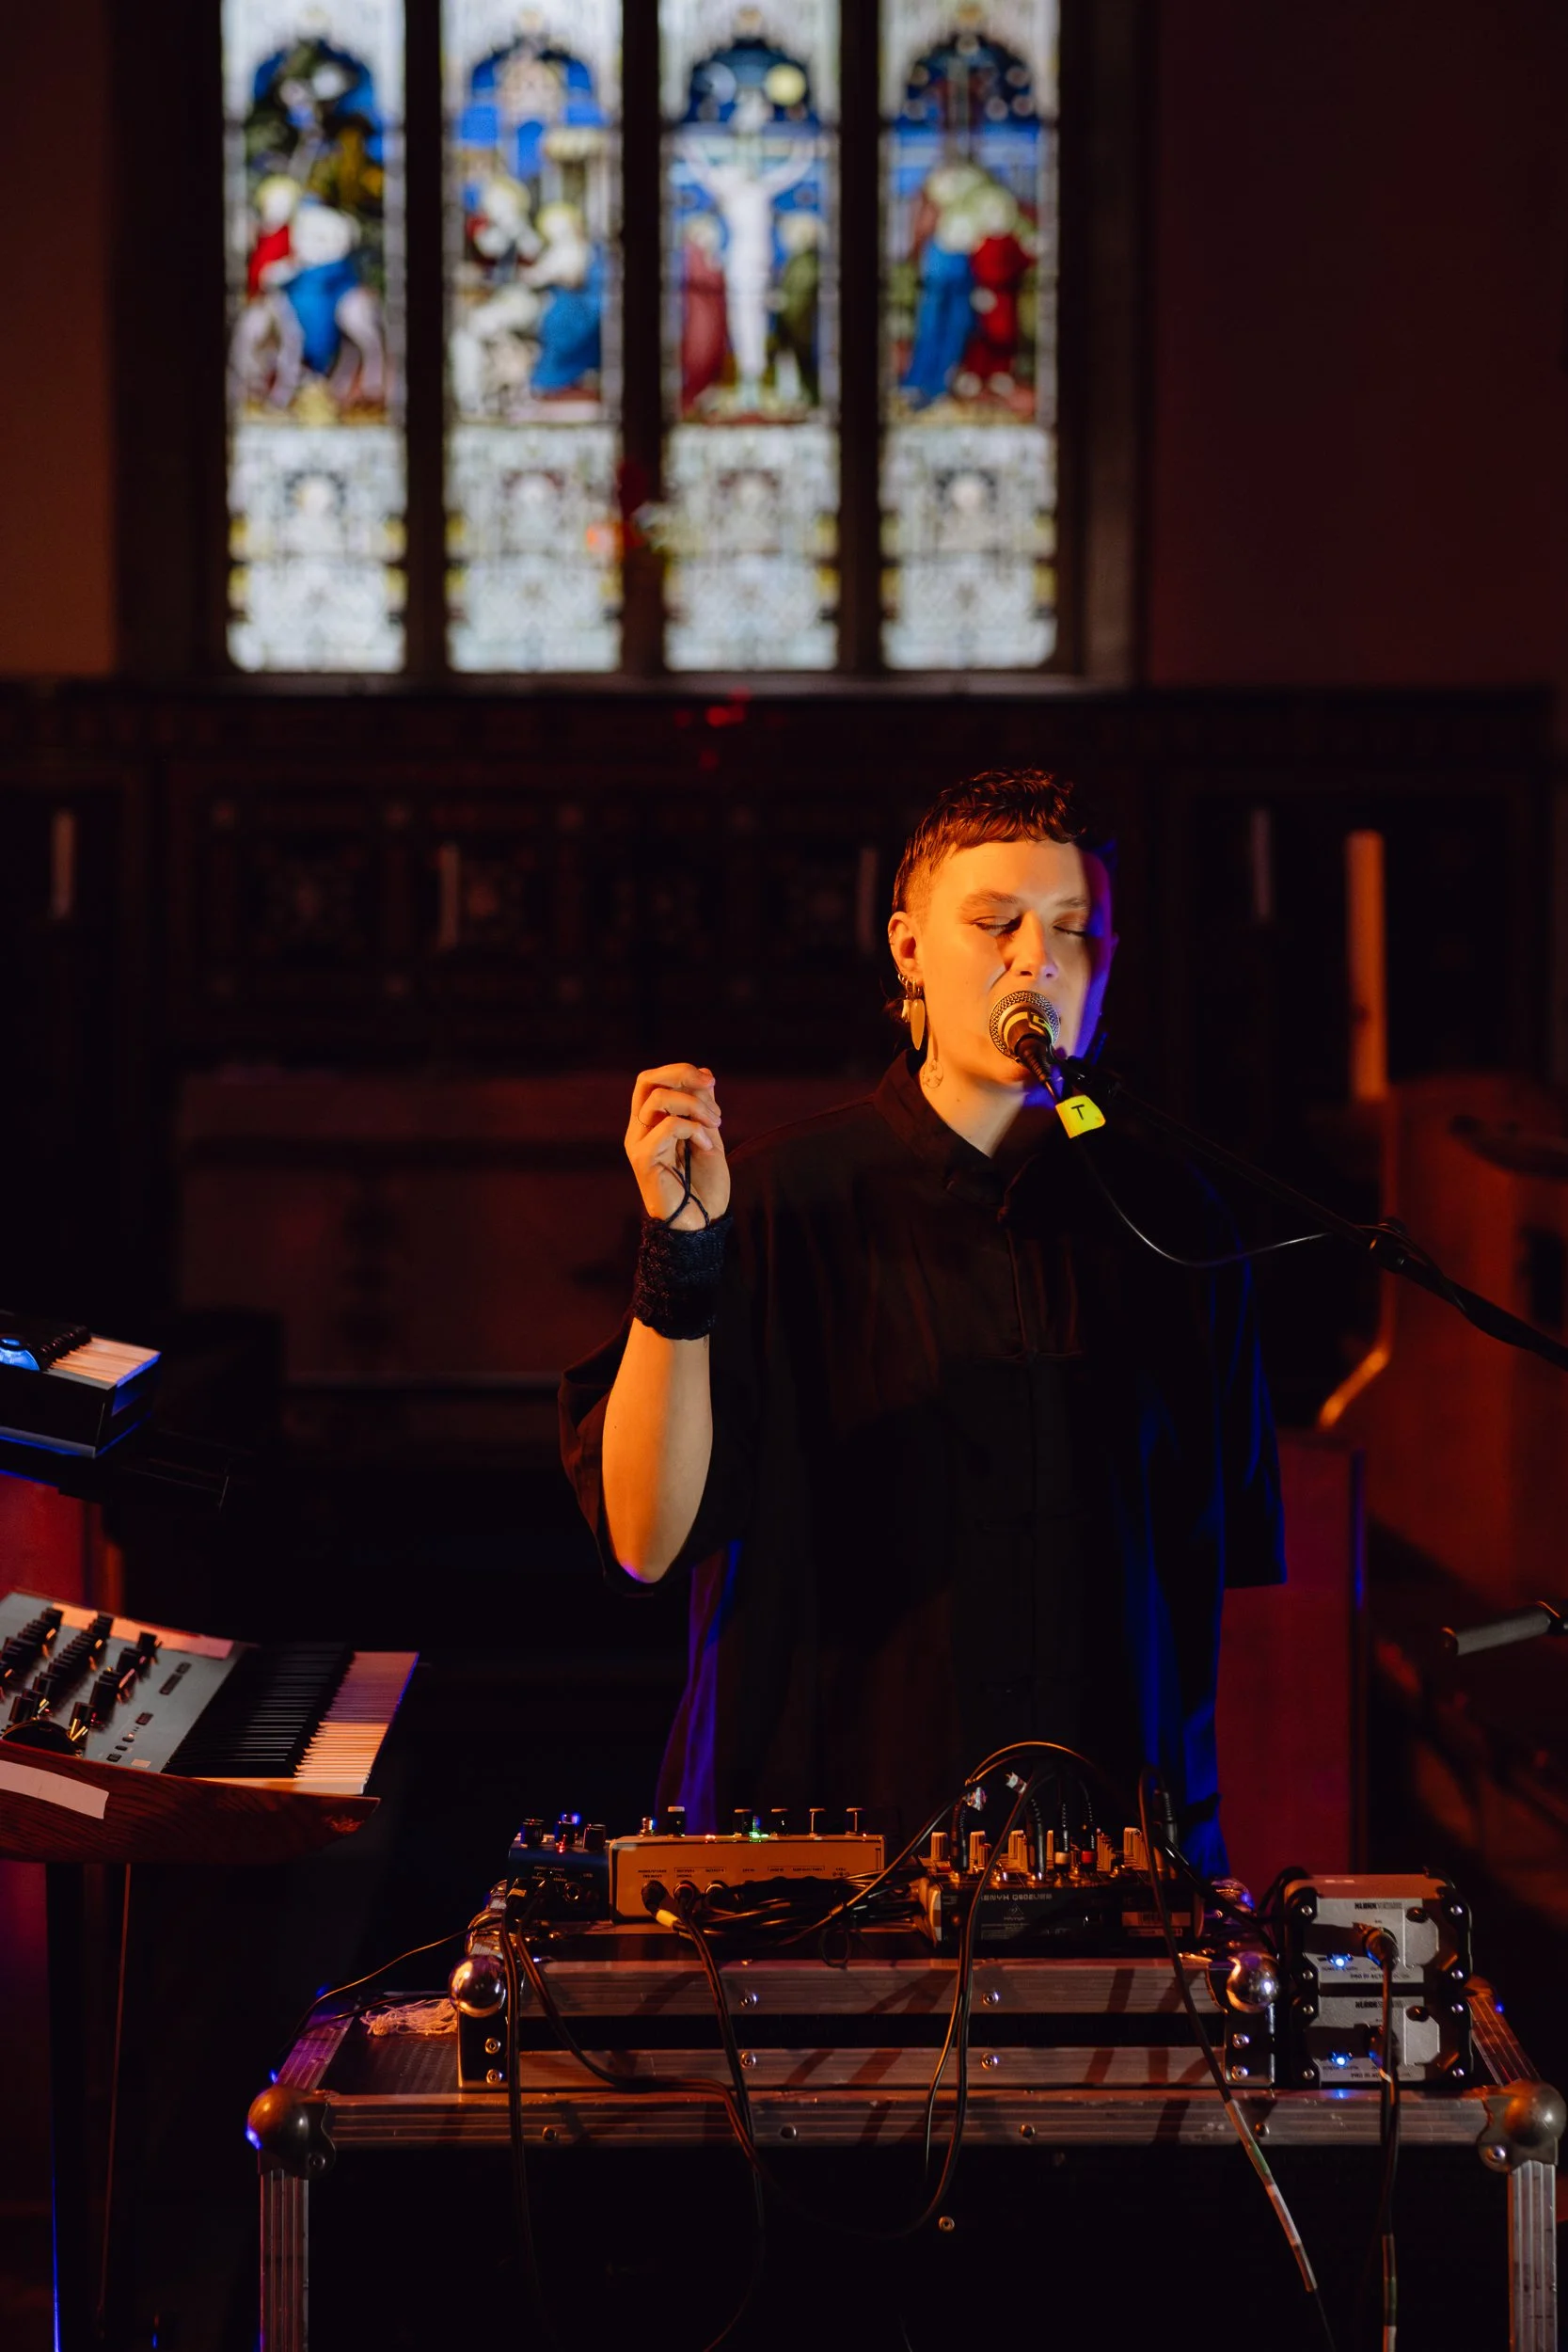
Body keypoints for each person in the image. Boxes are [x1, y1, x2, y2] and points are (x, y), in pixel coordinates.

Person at [560, 771, 1284, 1872]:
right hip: (817, 1880)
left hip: (1109, 1880)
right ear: (906, 948)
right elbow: (643, 1539)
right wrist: (680, 1250)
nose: (1035, 959)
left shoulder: (1174, 1218)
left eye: (1073, 931)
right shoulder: (772, 1198)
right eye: (993, 922)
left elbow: (1206, 1570)